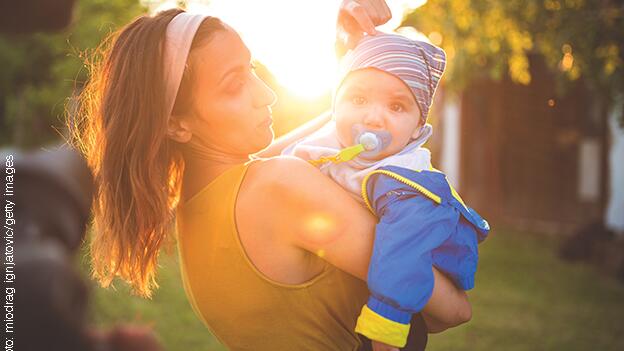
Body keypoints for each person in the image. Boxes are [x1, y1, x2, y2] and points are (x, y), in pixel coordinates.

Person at [68, 3, 472, 351]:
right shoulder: (279, 187)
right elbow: (451, 310)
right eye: (235, 84)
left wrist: (358, 65)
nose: (267, 94)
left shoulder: (200, 205)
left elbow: (315, 140)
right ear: (177, 124)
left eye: (253, 69)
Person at [282, 32, 490, 348]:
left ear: (418, 128)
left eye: (396, 106)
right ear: (335, 105)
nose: (373, 117)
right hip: (347, 299)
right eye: (359, 99)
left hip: (396, 315)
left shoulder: (406, 185)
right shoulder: (338, 146)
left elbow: (402, 257)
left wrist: (385, 332)